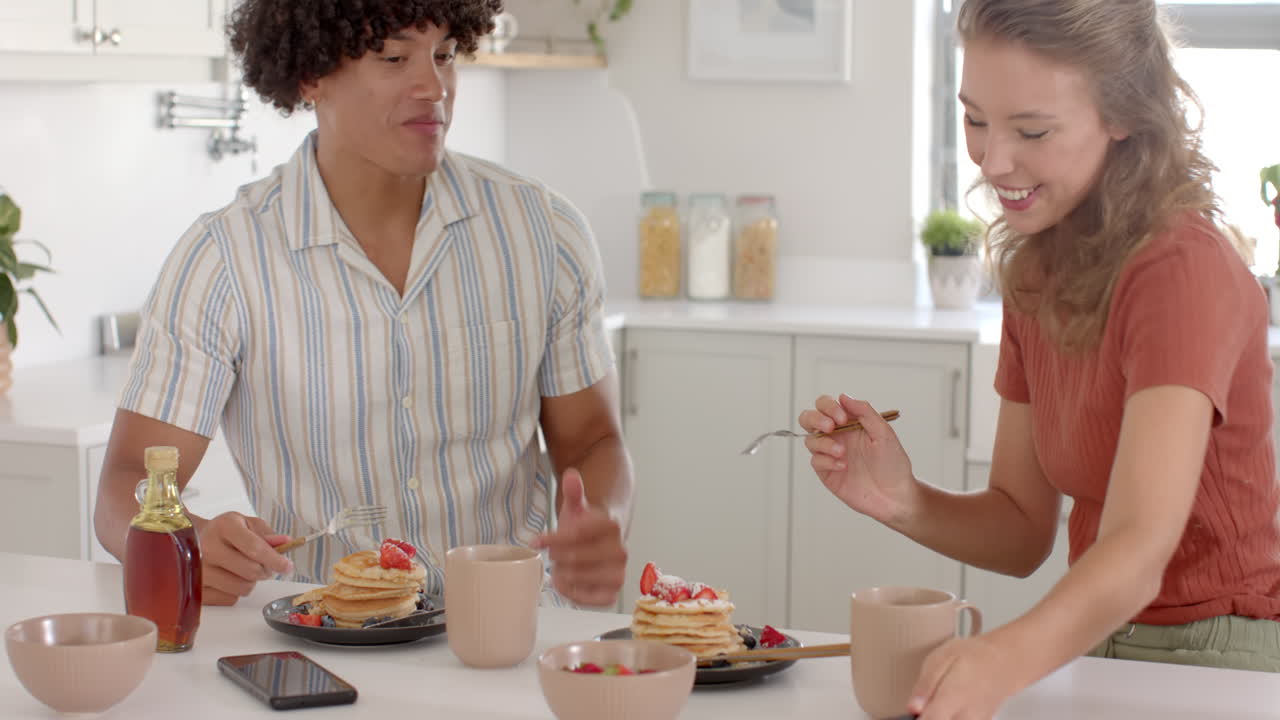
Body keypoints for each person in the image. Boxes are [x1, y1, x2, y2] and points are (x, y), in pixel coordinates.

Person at [800, 0, 1280, 717]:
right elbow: (1023, 527)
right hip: (1100, 639)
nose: (993, 160)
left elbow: (1141, 548)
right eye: (974, 120)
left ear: (1123, 115)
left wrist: (1001, 659)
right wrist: (902, 497)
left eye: (1031, 129)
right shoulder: (1038, 272)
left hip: (1222, 652)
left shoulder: (1182, 268)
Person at [94, 0, 633, 611]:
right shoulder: (224, 259)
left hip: (516, 632)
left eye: (445, 55)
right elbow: (123, 484)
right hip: (327, 646)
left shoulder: (544, 232)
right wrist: (179, 539)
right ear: (310, 75)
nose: (434, 87)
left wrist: (602, 518)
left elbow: (592, 440)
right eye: (394, 58)